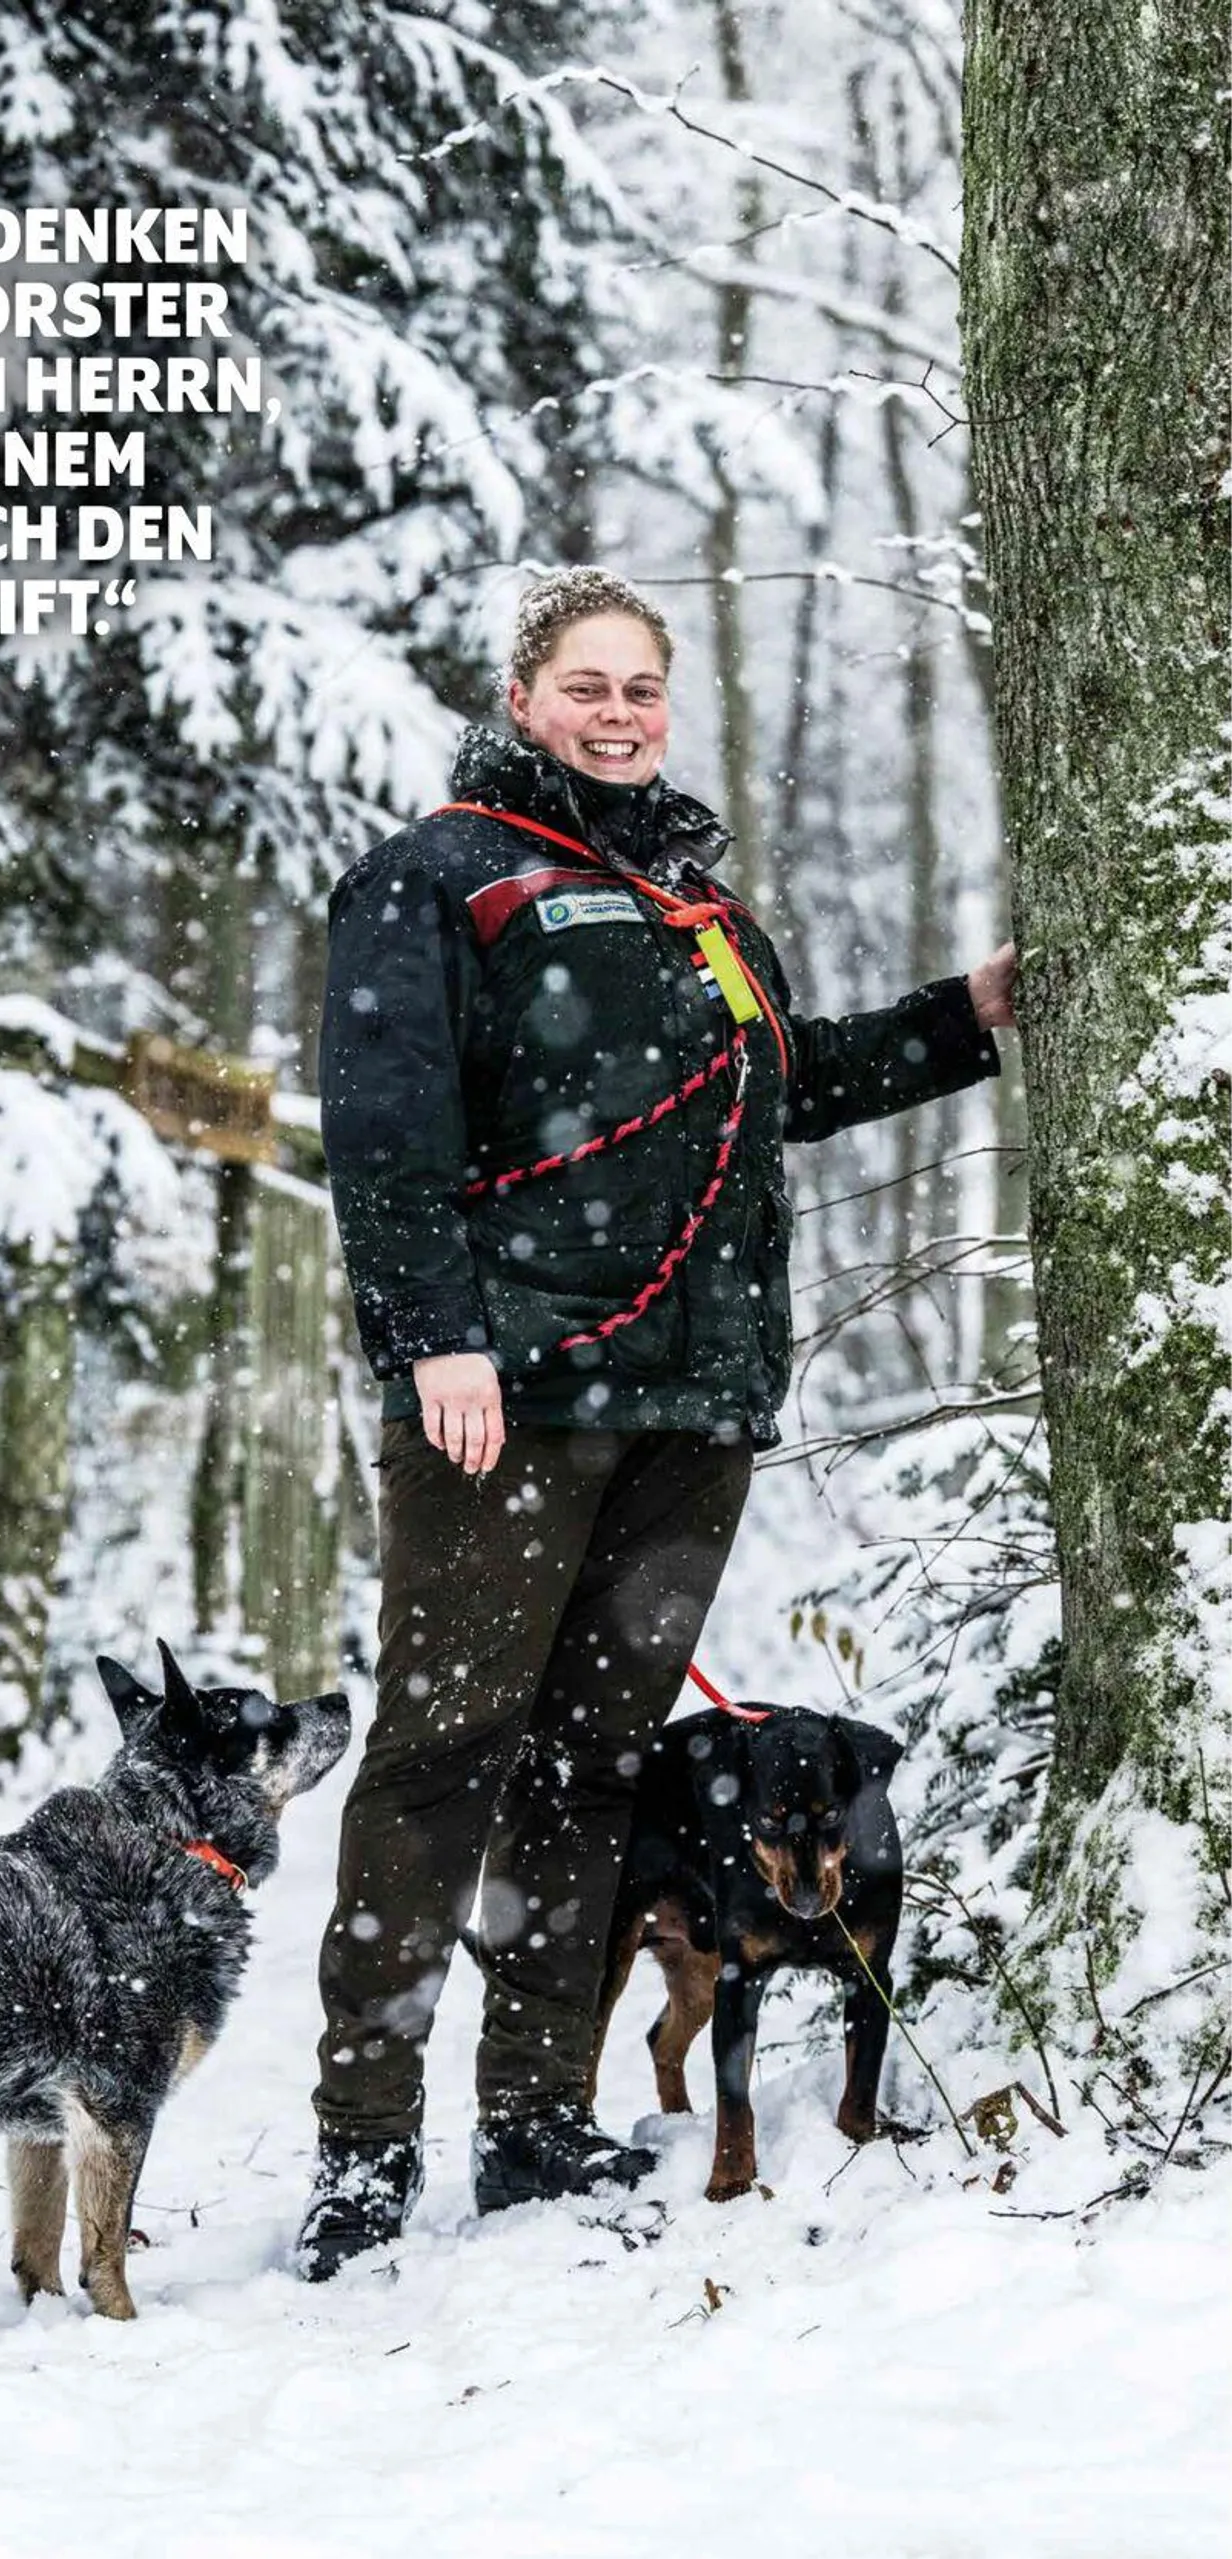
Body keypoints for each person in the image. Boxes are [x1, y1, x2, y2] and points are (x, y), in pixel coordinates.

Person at [298, 566, 1016, 2278]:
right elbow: (383, 1127)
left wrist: (961, 1020)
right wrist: (434, 1345)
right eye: (588, 684)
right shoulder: (438, 879)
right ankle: (360, 2151)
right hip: (511, 1406)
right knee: (440, 1759)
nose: (620, 711)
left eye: (644, 688)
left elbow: (777, 1090)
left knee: (592, 1765)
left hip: (694, 1409)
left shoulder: (696, 899)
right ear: (526, 692)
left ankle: (539, 2121)